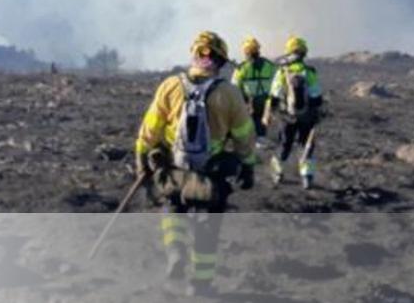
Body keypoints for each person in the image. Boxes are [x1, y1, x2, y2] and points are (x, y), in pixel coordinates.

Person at [134, 31, 257, 296]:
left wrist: (141, 158)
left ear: (194, 55)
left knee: (171, 206)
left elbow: (150, 129)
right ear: (221, 61)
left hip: (174, 171)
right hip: (210, 176)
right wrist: (247, 166)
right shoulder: (230, 93)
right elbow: (244, 135)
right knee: (207, 228)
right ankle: (200, 285)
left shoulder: (170, 86)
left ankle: (175, 251)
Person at [264, 36, 323, 189]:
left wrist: (268, 113)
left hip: (286, 116)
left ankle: (277, 172)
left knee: (285, 144)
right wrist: (317, 113)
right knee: (305, 145)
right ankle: (306, 175)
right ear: (304, 53)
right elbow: (316, 95)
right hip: (306, 116)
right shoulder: (309, 72)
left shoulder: (282, 72)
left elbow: (274, 95)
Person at [231, 36, 275, 145]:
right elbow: (276, 80)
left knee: (247, 123)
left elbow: (235, 86)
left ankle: (250, 141)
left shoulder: (242, 68)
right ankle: (261, 138)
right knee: (261, 121)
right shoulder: (269, 65)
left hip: (250, 101)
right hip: (266, 99)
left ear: (246, 52)